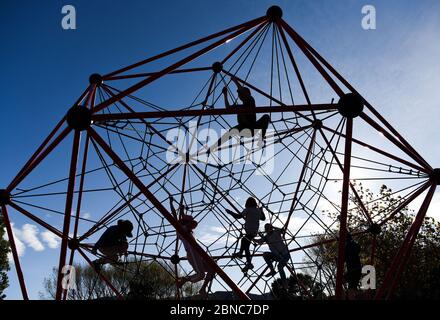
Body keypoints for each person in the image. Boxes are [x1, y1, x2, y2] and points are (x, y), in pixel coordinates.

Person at [170, 197, 214, 298]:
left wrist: (181, 209)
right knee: (201, 274)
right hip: (192, 252)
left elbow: (181, 216)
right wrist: (171, 203)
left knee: (212, 268)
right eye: (189, 222)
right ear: (185, 222)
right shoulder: (181, 228)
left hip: (197, 252)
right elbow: (173, 215)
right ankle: (184, 280)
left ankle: (203, 288)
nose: (191, 224)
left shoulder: (188, 230)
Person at [215, 76, 270, 150]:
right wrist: (225, 95)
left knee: (266, 116)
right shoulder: (240, 107)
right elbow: (228, 108)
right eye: (239, 95)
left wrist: (235, 81)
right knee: (230, 132)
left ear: (247, 94)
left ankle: (261, 138)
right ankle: (215, 145)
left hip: (253, 127)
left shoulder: (251, 100)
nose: (240, 95)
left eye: (242, 94)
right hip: (244, 128)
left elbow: (243, 91)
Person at [226, 197, 266, 272]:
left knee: (244, 240)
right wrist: (261, 210)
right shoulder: (257, 210)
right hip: (254, 231)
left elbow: (238, 216)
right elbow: (263, 218)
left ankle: (242, 256)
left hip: (250, 231)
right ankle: (247, 261)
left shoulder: (248, 210)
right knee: (246, 244)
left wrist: (230, 212)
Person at [255, 223, 290, 290]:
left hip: (285, 255)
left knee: (280, 266)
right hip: (277, 256)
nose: (268, 229)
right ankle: (272, 270)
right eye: (266, 228)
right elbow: (259, 242)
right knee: (265, 254)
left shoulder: (276, 232)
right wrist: (252, 239)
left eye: (269, 227)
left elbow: (283, 231)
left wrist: (274, 227)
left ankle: (285, 283)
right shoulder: (266, 237)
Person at [345, 233, 362, 300]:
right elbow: (358, 249)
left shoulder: (346, 248)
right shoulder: (354, 245)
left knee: (351, 289)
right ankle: (357, 295)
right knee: (353, 287)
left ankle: (354, 297)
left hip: (352, 270)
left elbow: (343, 258)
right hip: (357, 269)